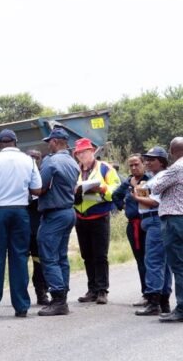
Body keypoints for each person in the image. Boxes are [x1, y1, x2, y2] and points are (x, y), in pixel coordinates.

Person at [0, 129, 42, 318]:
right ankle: (21, 306)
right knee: (19, 258)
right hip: (20, 212)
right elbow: (37, 190)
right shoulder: (28, 160)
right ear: (16, 142)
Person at [35, 128, 80, 316]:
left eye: (49, 142)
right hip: (68, 212)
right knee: (61, 256)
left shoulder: (51, 161)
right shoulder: (72, 162)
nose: (48, 145)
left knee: (49, 256)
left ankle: (58, 298)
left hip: (54, 213)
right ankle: (63, 294)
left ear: (55, 141)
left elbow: (40, 187)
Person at [72, 138, 120, 305]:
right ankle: (91, 289)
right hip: (80, 216)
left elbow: (116, 188)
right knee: (87, 255)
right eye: (78, 153)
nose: (81, 155)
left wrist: (101, 188)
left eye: (84, 152)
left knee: (100, 255)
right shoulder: (75, 169)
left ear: (92, 151)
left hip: (99, 217)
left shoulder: (105, 168)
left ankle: (102, 290)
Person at [132, 147, 172, 316]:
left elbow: (154, 202)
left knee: (154, 261)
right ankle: (163, 301)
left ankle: (154, 301)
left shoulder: (161, 177)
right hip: (153, 221)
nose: (148, 162)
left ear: (161, 162)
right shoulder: (155, 177)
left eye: (152, 159)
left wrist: (136, 195)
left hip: (155, 219)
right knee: (163, 262)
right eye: (147, 159)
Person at [151, 137, 183, 323]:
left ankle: (181, 308)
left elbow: (155, 186)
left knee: (178, 265)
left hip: (174, 218)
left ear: (171, 151)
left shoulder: (176, 168)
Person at [112, 154, 150, 306]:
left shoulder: (147, 180)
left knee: (150, 259)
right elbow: (115, 195)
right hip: (132, 226)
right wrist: (122, 206)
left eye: (137, 164)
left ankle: (155, 292)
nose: (134, 168)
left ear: (143, 164)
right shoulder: (127, 182)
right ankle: (146, 293)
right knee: (140, 260)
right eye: (131, 165)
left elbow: (145, 201)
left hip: (146, 224)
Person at [27, 149, 49, 306]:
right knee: (20, 263)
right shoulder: (18, 176)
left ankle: (41, 293)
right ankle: (21, 298)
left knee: (39, 263)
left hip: (38, 228)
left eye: (37, 157)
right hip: (21, 228)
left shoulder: (43, 178)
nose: (34, 160)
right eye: (31, 157)